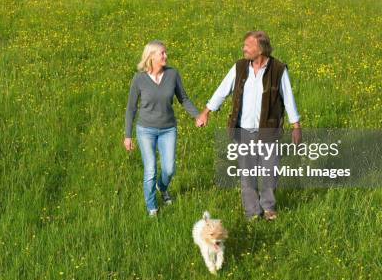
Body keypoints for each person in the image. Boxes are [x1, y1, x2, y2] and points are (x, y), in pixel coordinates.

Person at [196, 31, 302, 221]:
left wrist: (296, 126)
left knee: (270, 171)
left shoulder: (278, 69)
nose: (243, 48)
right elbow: (222, 90)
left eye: (248, 45)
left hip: (268, 130)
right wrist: (206, 112)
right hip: (243, 130)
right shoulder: (239, 67)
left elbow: (288, 98)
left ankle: (268, 207)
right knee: (247, 174)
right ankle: (252, 212)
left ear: (260, 49)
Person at [124, 40, 200, 217]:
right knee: (150, 169)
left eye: (165, 53)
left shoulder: (172, 74)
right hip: (146, 130)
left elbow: (184, 99)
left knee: (169, 169)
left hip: (168, 129)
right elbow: (131, 108)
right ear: (151, 56)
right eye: (162, 53)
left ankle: (162, 187)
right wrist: (128, 135)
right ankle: (152, 207)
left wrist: (197, 115)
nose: (166, 56)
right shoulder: (139, 78)